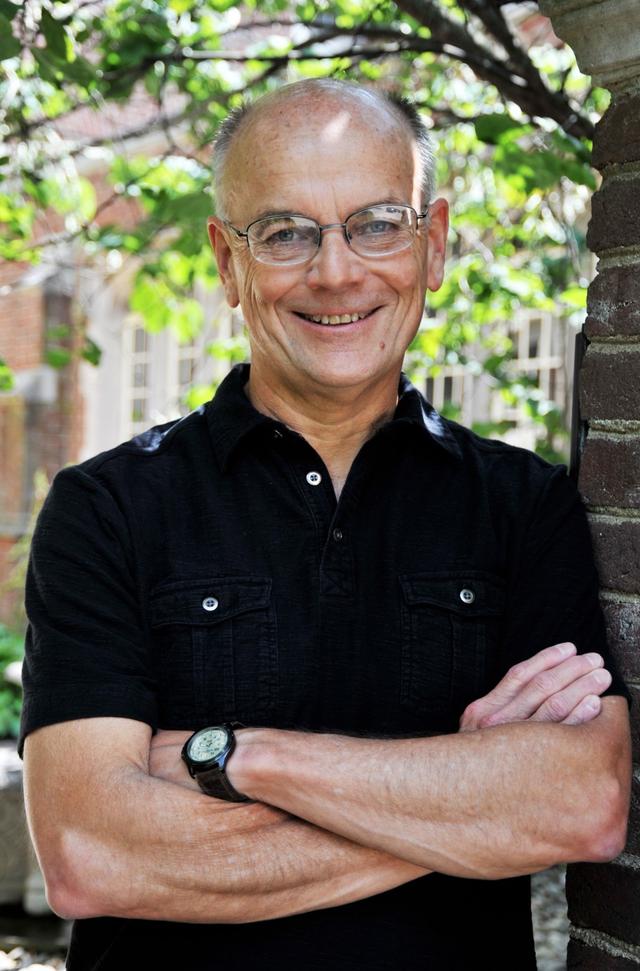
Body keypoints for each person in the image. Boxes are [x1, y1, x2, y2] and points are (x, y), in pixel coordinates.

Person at [21, 79, 630, 971]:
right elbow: (90, 854)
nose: (337, 270)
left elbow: (582, 804)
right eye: (286, 233)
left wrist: (242, 758)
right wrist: (467, 796)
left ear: (435, 245)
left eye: (378, 222)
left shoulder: (524, 506)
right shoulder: (107, 508)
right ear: (228, 264)